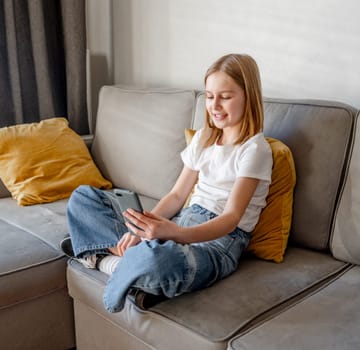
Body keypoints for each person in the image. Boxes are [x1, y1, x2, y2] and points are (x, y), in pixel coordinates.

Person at [62, 53, 273, 313]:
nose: (214, 105)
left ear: (248, 96)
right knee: (84, 198)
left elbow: (231, 217)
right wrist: (141, 229)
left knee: (162, 260)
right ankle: (127, 264)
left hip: (219, 242)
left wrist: (175, 234)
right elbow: (175, 197)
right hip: (181, 222)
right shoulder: (205, 138)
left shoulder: (254, 150)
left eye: (225, 97)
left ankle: (104, 259)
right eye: (209, 96)